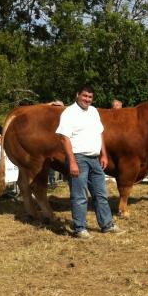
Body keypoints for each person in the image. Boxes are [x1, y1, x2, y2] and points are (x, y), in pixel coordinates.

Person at [56, 85, 124, 238]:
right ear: (77, 95)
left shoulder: (93, 111)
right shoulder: (69, 113)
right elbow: (64, 138)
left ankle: (107, 225)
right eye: (85, 96)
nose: (87, 99)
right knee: (80, 195)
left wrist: (103, 154)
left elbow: (100, 133)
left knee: (101, 193)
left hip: (94, 158)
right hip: (78, 158)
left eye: (90, 97)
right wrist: (72, 161)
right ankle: (80, 228)